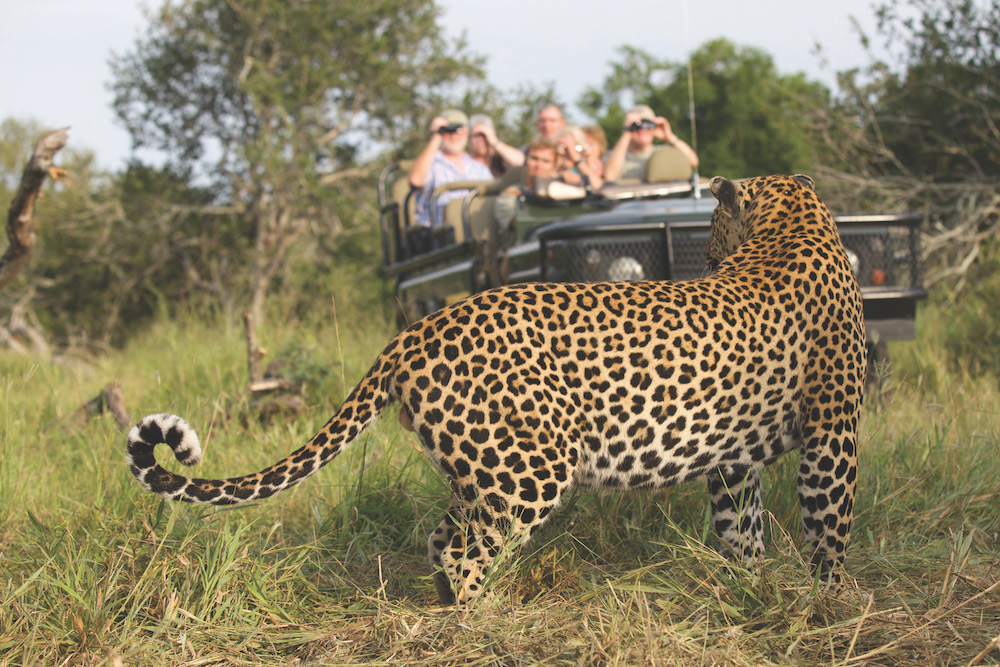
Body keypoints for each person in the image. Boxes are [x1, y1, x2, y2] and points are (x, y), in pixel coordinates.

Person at [408, 109, 493, 229]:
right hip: (438, 235)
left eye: (458, 130)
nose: (453, 136)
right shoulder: (430, 162)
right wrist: (435, 138)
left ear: (467, 132)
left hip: (475, 231)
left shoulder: (479, 168)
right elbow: (415, 180)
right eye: (447, 131)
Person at [602, 104, 699, 183]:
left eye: (648, 124)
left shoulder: (664, 153)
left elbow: (693, 161)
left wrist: (669, 136)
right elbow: (609, 177)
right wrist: (627, 133)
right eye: (636, 126)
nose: (642, 129)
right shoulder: (614, 156)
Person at [493, 137, 559, 235]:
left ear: (553, 166)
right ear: (525, 161)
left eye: (546, 161)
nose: (539, 165)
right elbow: (521, 225)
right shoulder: (510, 195)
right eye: (534, 158)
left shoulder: (561, 192)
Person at [554, 126, 604, 191]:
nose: (570, 151)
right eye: (566, 147)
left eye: (574, 145)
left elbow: (596, 184)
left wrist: (578, 158)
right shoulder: (556, 158)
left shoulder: (586, 162)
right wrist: (558, 158)